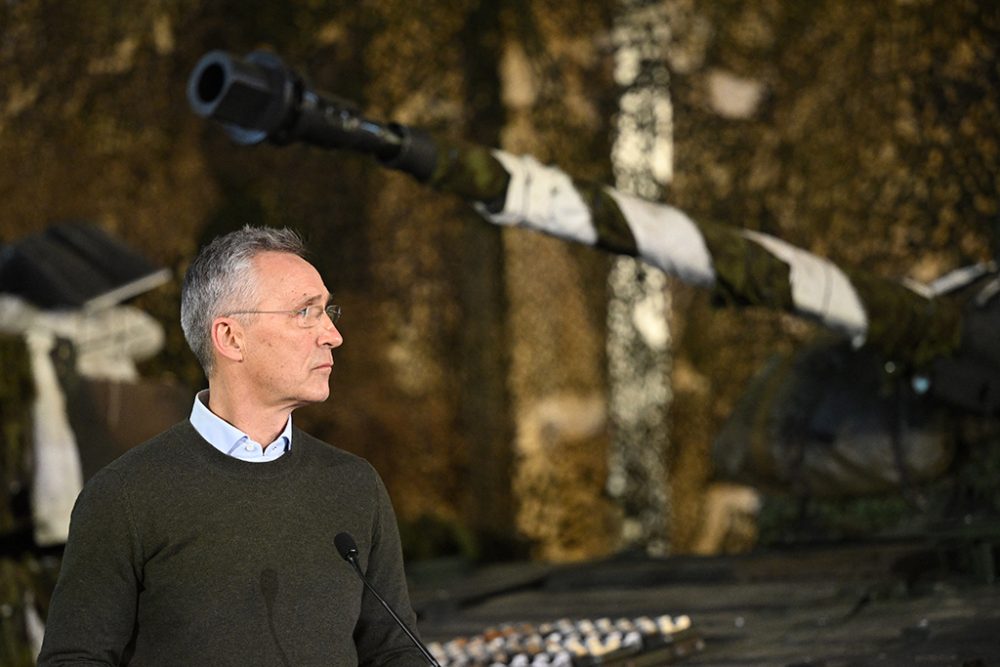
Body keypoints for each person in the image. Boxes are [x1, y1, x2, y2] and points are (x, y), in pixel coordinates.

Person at [38, 226, 428, 666]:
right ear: (229, 338)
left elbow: (396, 651)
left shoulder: (356, 485)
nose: (332, 335)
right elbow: (73, 659)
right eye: (305, 313)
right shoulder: (123, 496)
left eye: (327, 311)